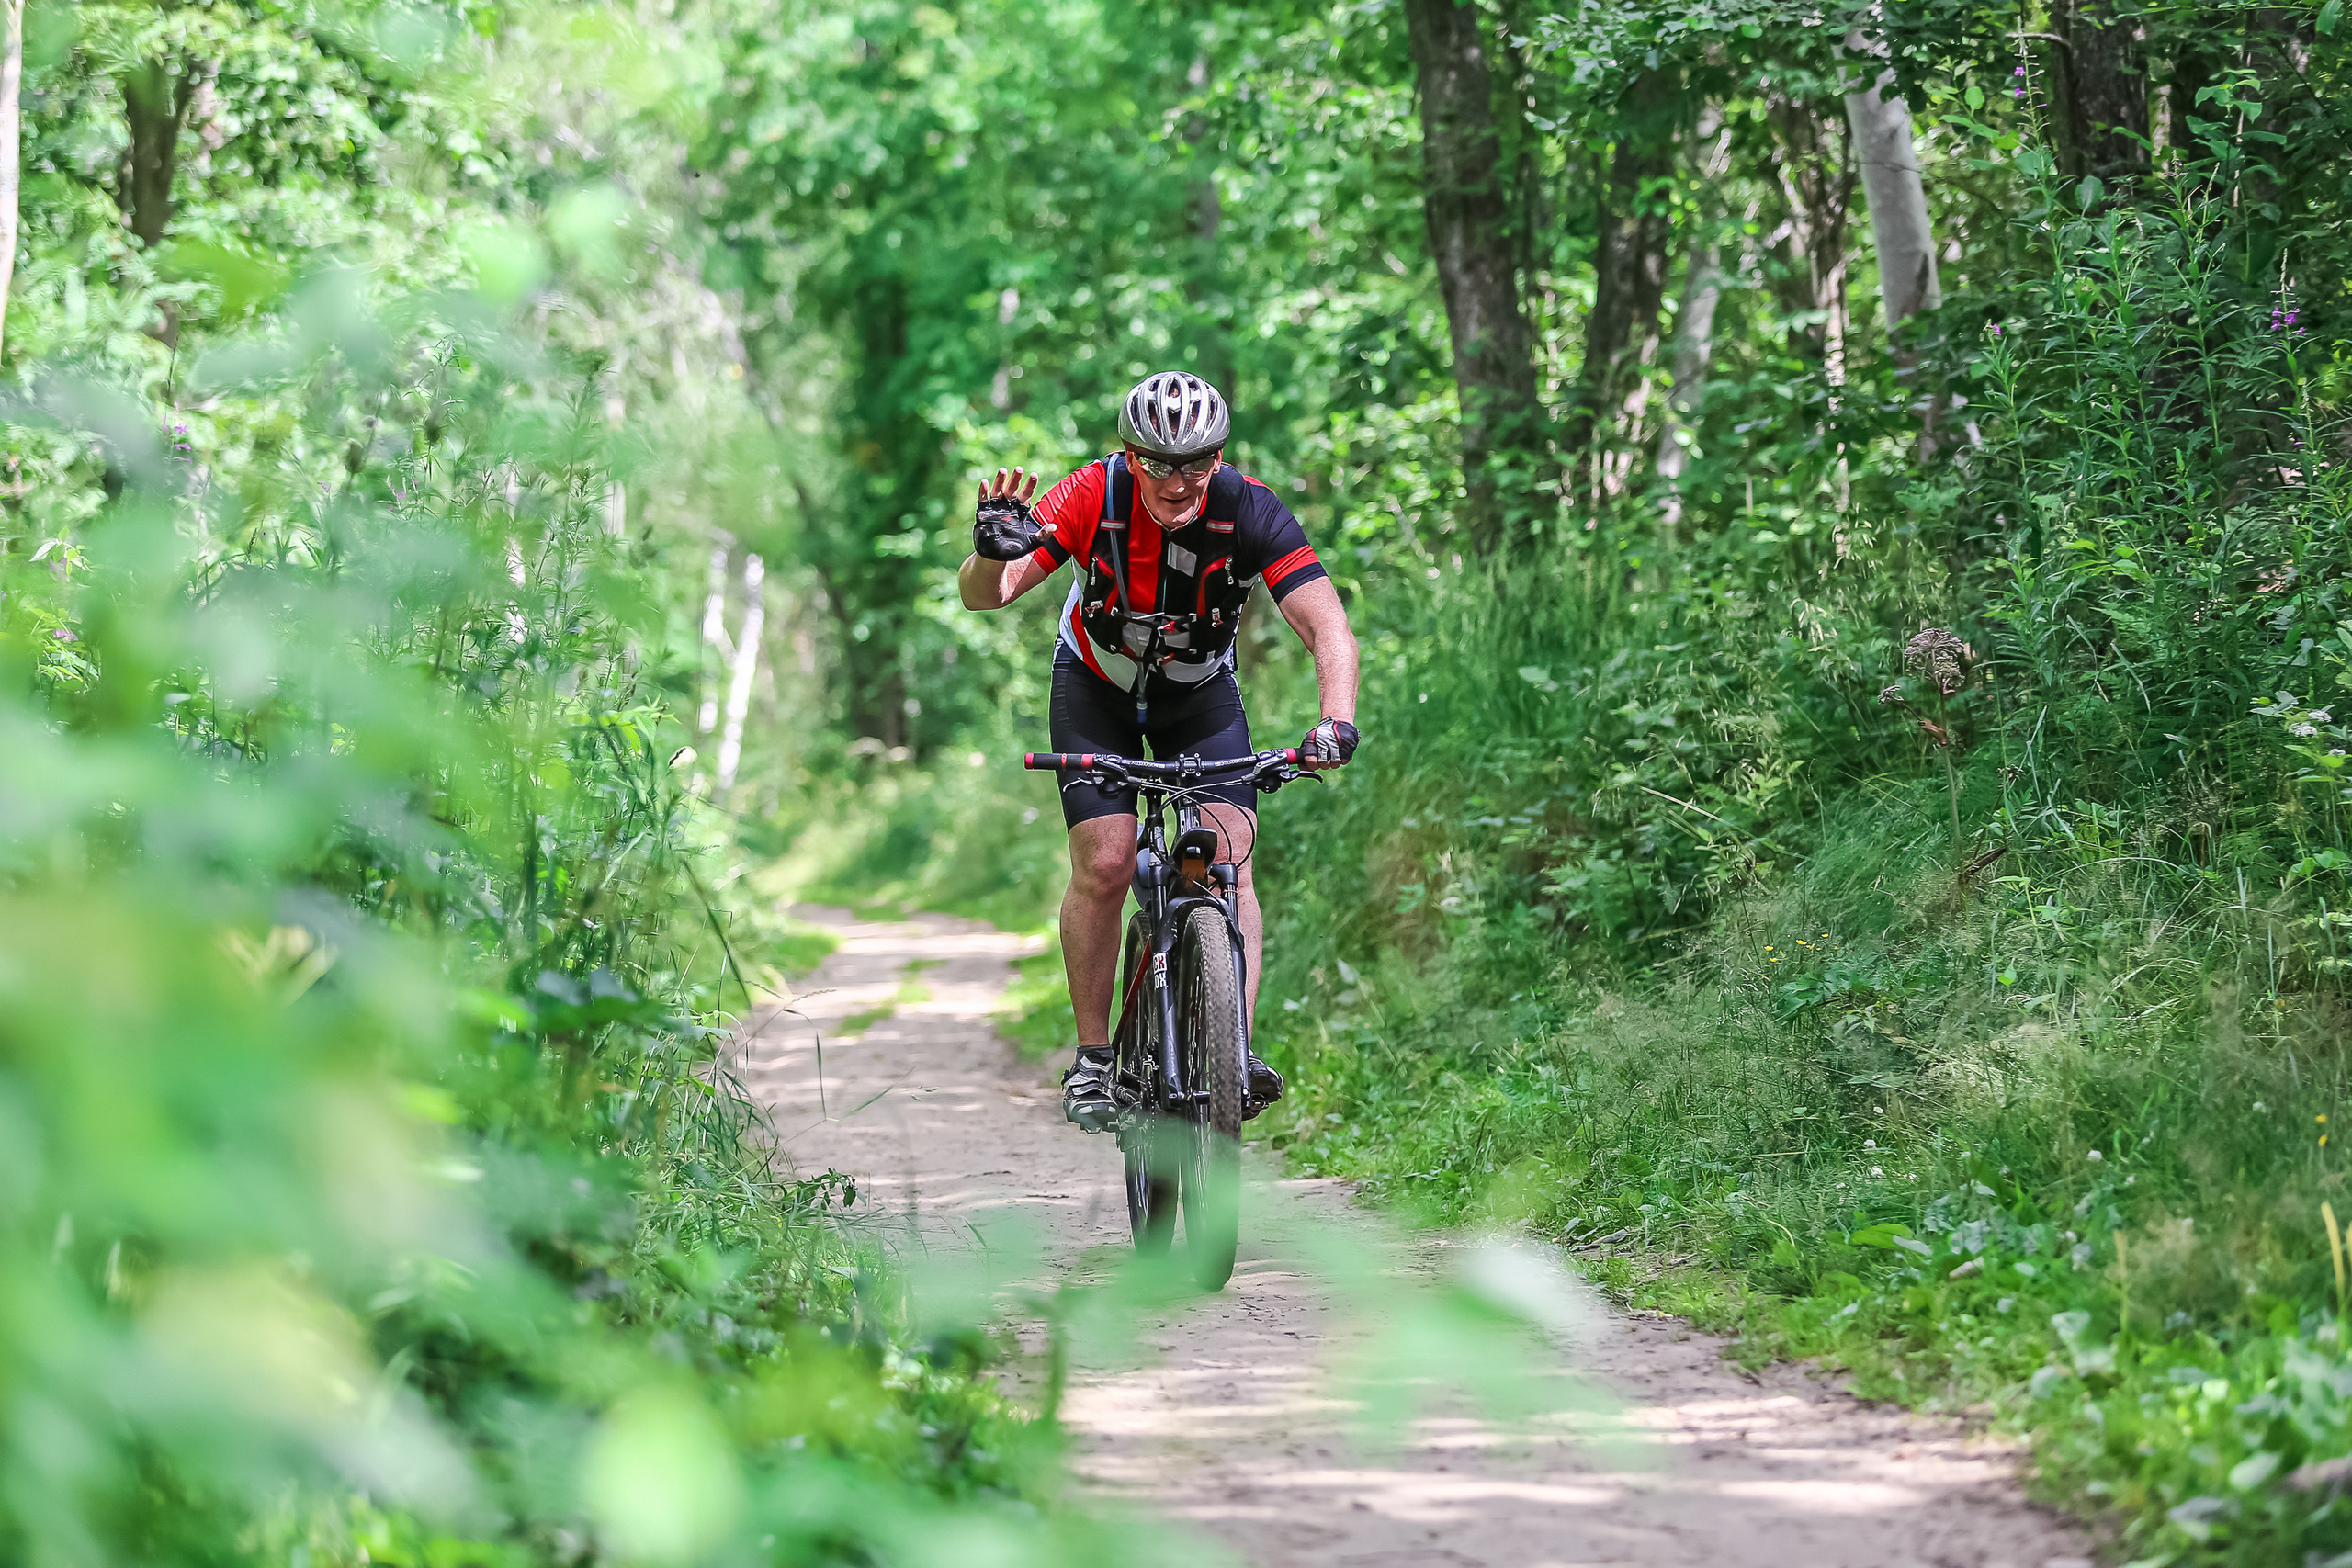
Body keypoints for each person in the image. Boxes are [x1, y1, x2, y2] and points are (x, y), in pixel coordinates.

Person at [956, 371, 1361, 1129]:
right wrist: (986, 555)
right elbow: (988, 593)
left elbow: (1326, 625)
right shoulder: (1090, 496)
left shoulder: (1249, 508)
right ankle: (1093, 1060)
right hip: (1095, 685)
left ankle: (1230, 1052)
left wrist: (1334, 721)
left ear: (1218, 456)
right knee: (1106, 861)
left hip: (1197, 694)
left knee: (1231, 855)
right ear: (1128, 453)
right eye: (1157, 462)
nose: (1177, 481)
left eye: (1196, 462)